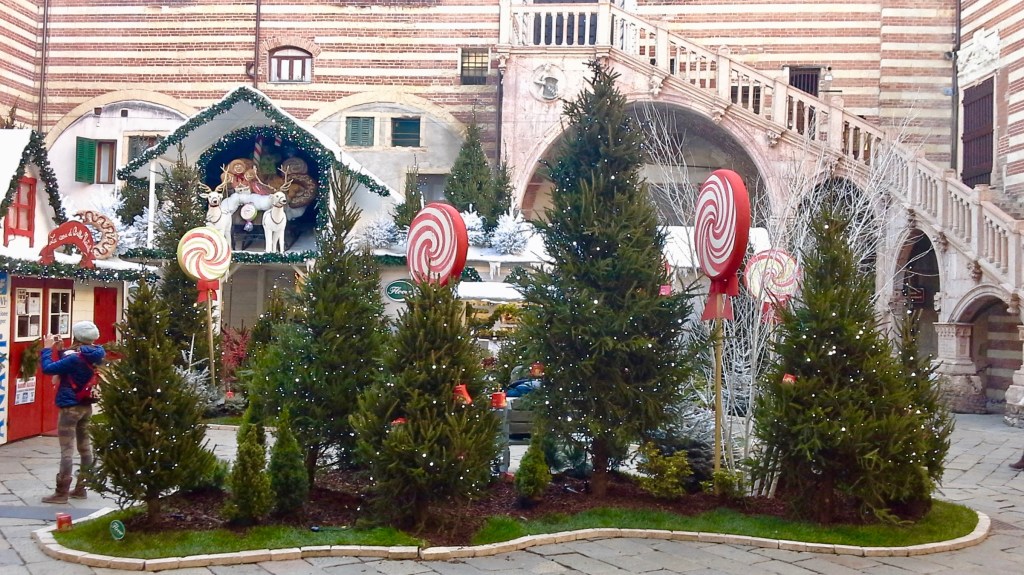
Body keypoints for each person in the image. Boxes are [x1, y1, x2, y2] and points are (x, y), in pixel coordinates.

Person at [40, 321, 105, 504]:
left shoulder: (75, 357)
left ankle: (61, 493)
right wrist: (62, 350)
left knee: (67, 450)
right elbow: (75, 368)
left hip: (70, 407)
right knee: (85, 448)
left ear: (77, 336)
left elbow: (48, 368)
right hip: (86, 406)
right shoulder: (96, 353)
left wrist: (47, 349)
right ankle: (81, 488)